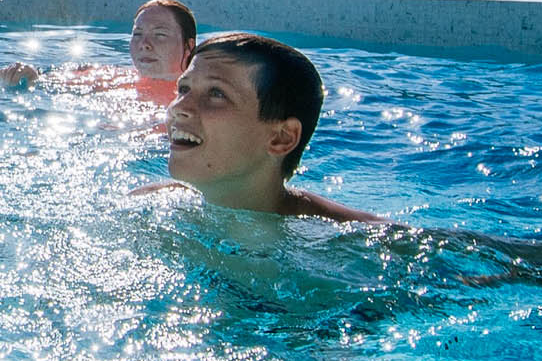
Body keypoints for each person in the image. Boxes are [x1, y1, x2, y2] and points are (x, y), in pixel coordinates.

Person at [141, 32, 382, 222]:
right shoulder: (148, 205)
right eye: (183, 89)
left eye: (216, 93)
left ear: (282, 138)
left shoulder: (355, 241)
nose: (178, 107)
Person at [0, 0, 196, 105]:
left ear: (189, 46)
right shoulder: (113, 78)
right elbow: (44, 82)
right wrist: (28, 75)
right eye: (137, 34)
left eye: (160, 35)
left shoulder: (196, 98)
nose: (144, 44)